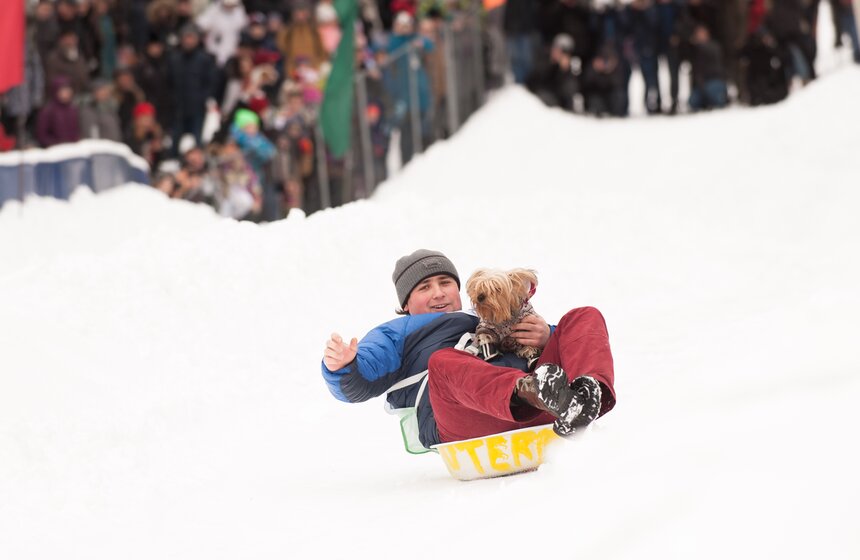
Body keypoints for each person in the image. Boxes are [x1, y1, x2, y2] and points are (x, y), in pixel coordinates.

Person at [322, 249, 616, 450]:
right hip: (462, 420)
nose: (438, 292)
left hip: (538, 411)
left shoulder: (487, 320)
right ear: (406, 304)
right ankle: (534, 391)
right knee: (444, 362)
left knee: (583, 316)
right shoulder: (399, 332)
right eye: (424, 287)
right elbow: (361, 378)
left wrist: (546, 336)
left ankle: (585, 397)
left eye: (445, 283)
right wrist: (343, 368)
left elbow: (567, 344)